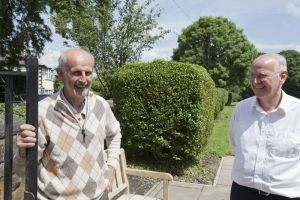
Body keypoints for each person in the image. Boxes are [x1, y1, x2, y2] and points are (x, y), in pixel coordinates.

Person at [14, 48, 122, 200]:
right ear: (60, 74)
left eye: (88, 73)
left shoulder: (101, 105)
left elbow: (115, 134)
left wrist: (111, 167)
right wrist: (22, 152)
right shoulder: (42, 112)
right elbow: (21, 171)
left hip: (100, 196)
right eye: (76, 73)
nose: (83, 79)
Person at [229, 53, 300, 200]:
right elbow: (235, 144)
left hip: (285, 196)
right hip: (242, 193)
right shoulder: (241, 109)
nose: (255, 82)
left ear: (282, 76)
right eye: (252, 75)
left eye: (261, 76)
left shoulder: (297, 112)